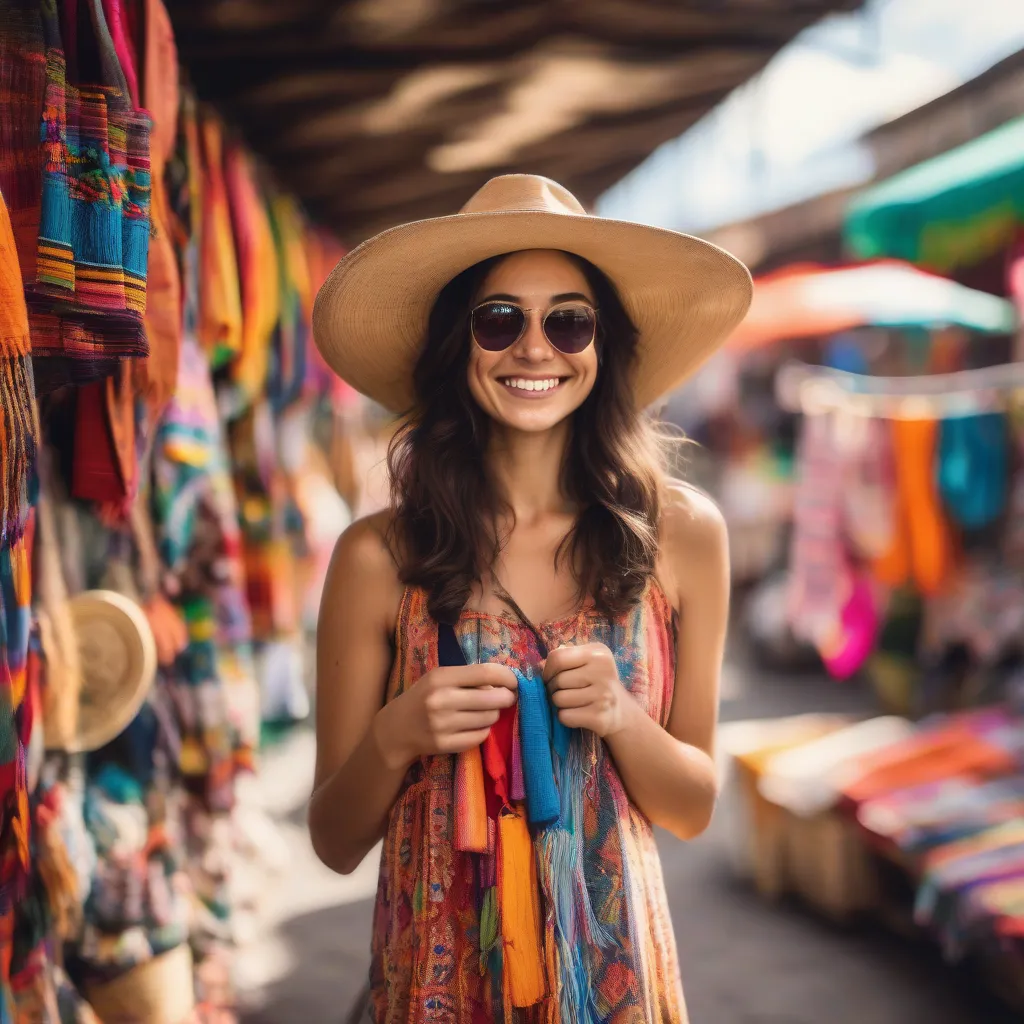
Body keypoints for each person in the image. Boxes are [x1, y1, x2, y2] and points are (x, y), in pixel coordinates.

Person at [308, 175, 751, 1022]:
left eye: (569, 320)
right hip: (435, 985)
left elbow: (692, 808)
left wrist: (622, 717)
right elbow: (333, 839)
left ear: (602, 344)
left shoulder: (684, 535)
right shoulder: (377, 557)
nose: (535, 348)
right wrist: (398, 732)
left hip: (614, 981)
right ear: (456, 344)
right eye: (499, 319)